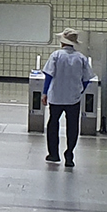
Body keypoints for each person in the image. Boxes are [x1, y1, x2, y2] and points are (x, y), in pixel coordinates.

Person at [42, 29, 94, 169]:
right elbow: (87, 79)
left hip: (56, 96)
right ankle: (69, 153)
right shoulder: (81, 58)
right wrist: (80, 90)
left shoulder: (56, 55)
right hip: (73, 98)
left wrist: (44, 93)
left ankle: (53, 154)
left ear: (62, 42)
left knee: (53, 123)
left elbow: (48, 75)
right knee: (72, 125)